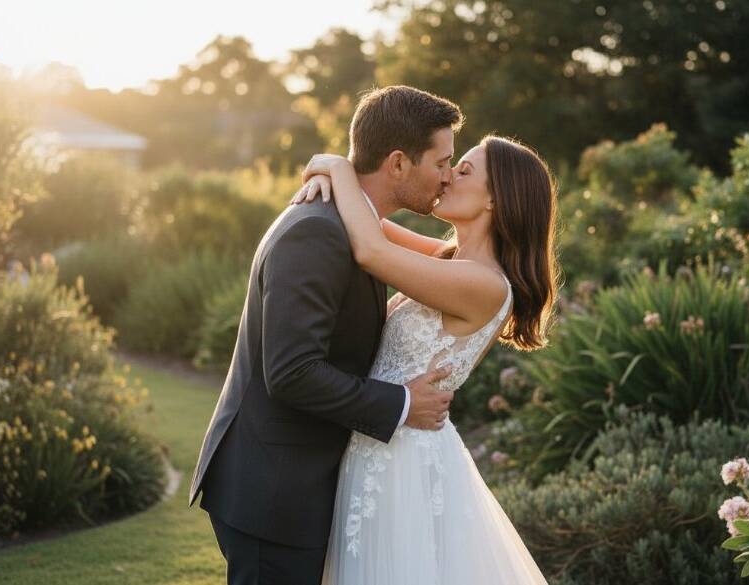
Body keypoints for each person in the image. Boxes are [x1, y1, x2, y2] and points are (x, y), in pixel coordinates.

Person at [190, 85, 465, 584]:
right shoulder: (318, 231)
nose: (448, 176)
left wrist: (335, 165)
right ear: (398, 164)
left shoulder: (359, 227)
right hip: (273, 491)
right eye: (442, 162)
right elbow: (293, 372)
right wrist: (402, 403)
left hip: (297, 484)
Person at [291, 127, 560, 583]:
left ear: (496, 199)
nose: (447, 176)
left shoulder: (485, 286)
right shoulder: (451, 260)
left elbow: (371, 249)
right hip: (382, 442)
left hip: (402, 465)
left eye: (464, 169)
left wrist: (337, 166)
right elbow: (370, 219)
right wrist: (329, 179)